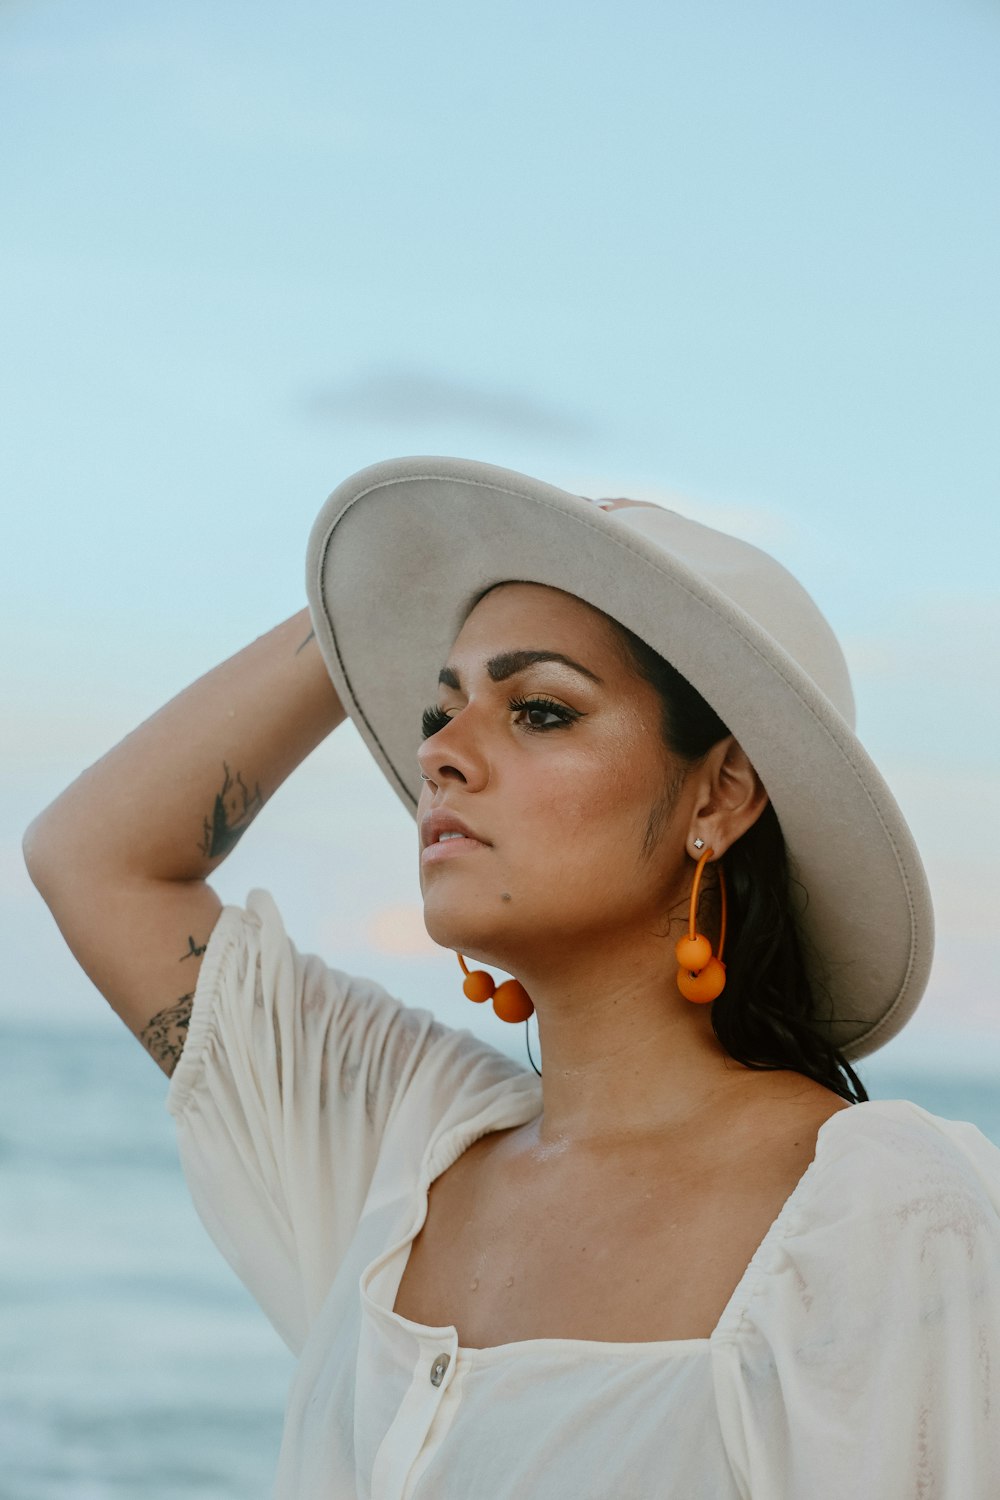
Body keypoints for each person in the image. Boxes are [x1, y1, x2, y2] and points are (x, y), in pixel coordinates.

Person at [24, 455, 1000, 1498]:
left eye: (538, 710)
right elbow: (93, 859)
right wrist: (407, 580)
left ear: (718, 795)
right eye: (438, 712)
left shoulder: (883, 1212)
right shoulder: (404, 1150)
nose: (443, 753)